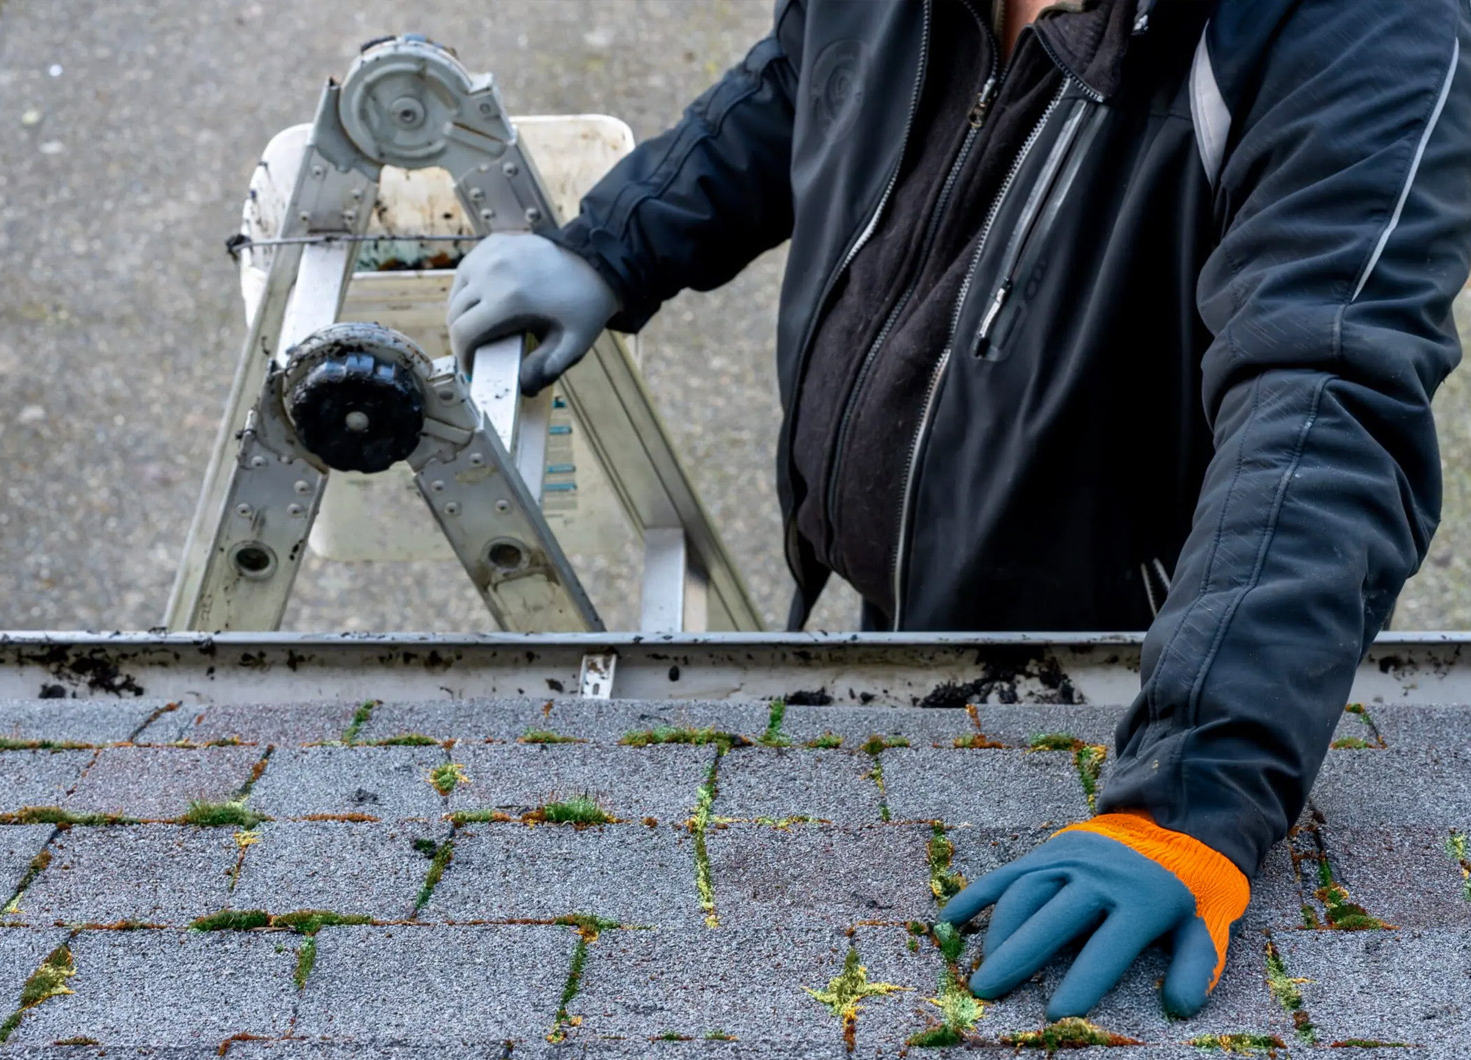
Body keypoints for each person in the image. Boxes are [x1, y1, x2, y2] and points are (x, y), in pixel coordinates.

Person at [447, 0, 1471, 1020]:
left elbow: (1325, 399)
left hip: (1128, 695)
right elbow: (811, 79)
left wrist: (1190, 793)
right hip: (898, 618)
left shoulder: (1364, 28)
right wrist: (620, 242)